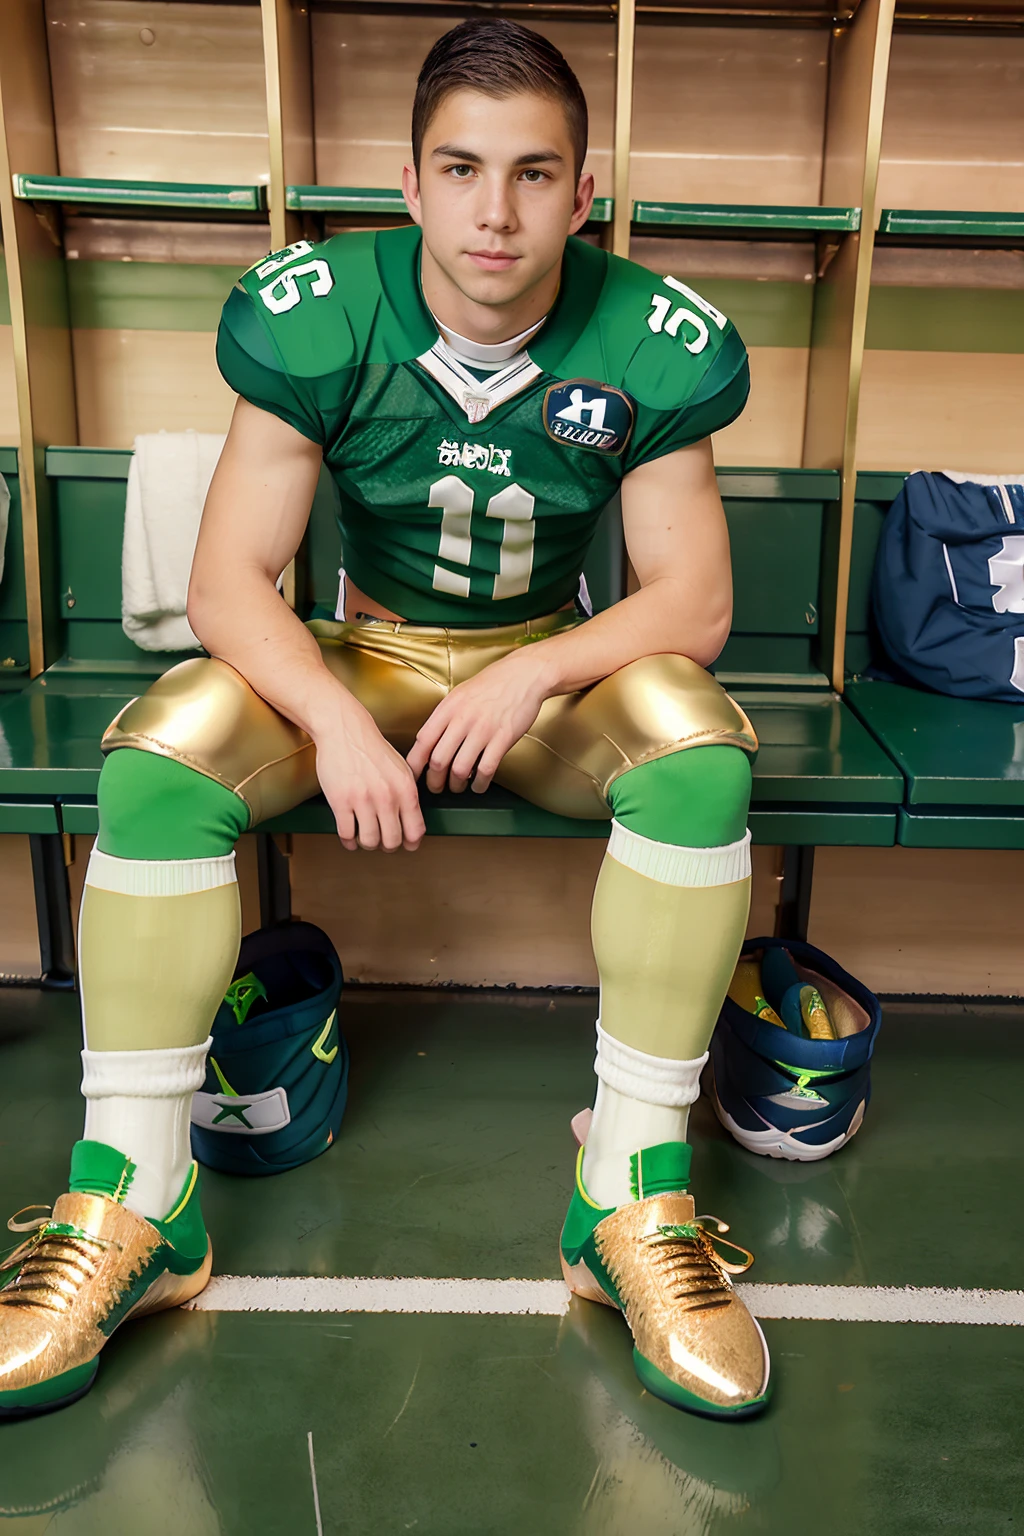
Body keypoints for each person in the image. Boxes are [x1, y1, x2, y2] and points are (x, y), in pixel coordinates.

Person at [0, 19, 769, 1421]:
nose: (496, 210)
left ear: (581, 194)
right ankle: (137, 1196)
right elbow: (229, 581)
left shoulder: (649, 330)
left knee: (699, 750)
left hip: (542, 669)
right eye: (461, 169)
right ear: (407, 184)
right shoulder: (322, 309)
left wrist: (531, 674)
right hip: (356, 654)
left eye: (535, 174)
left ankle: (631, 1196)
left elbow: (695, 597)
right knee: (164, 757)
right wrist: (338, 725)